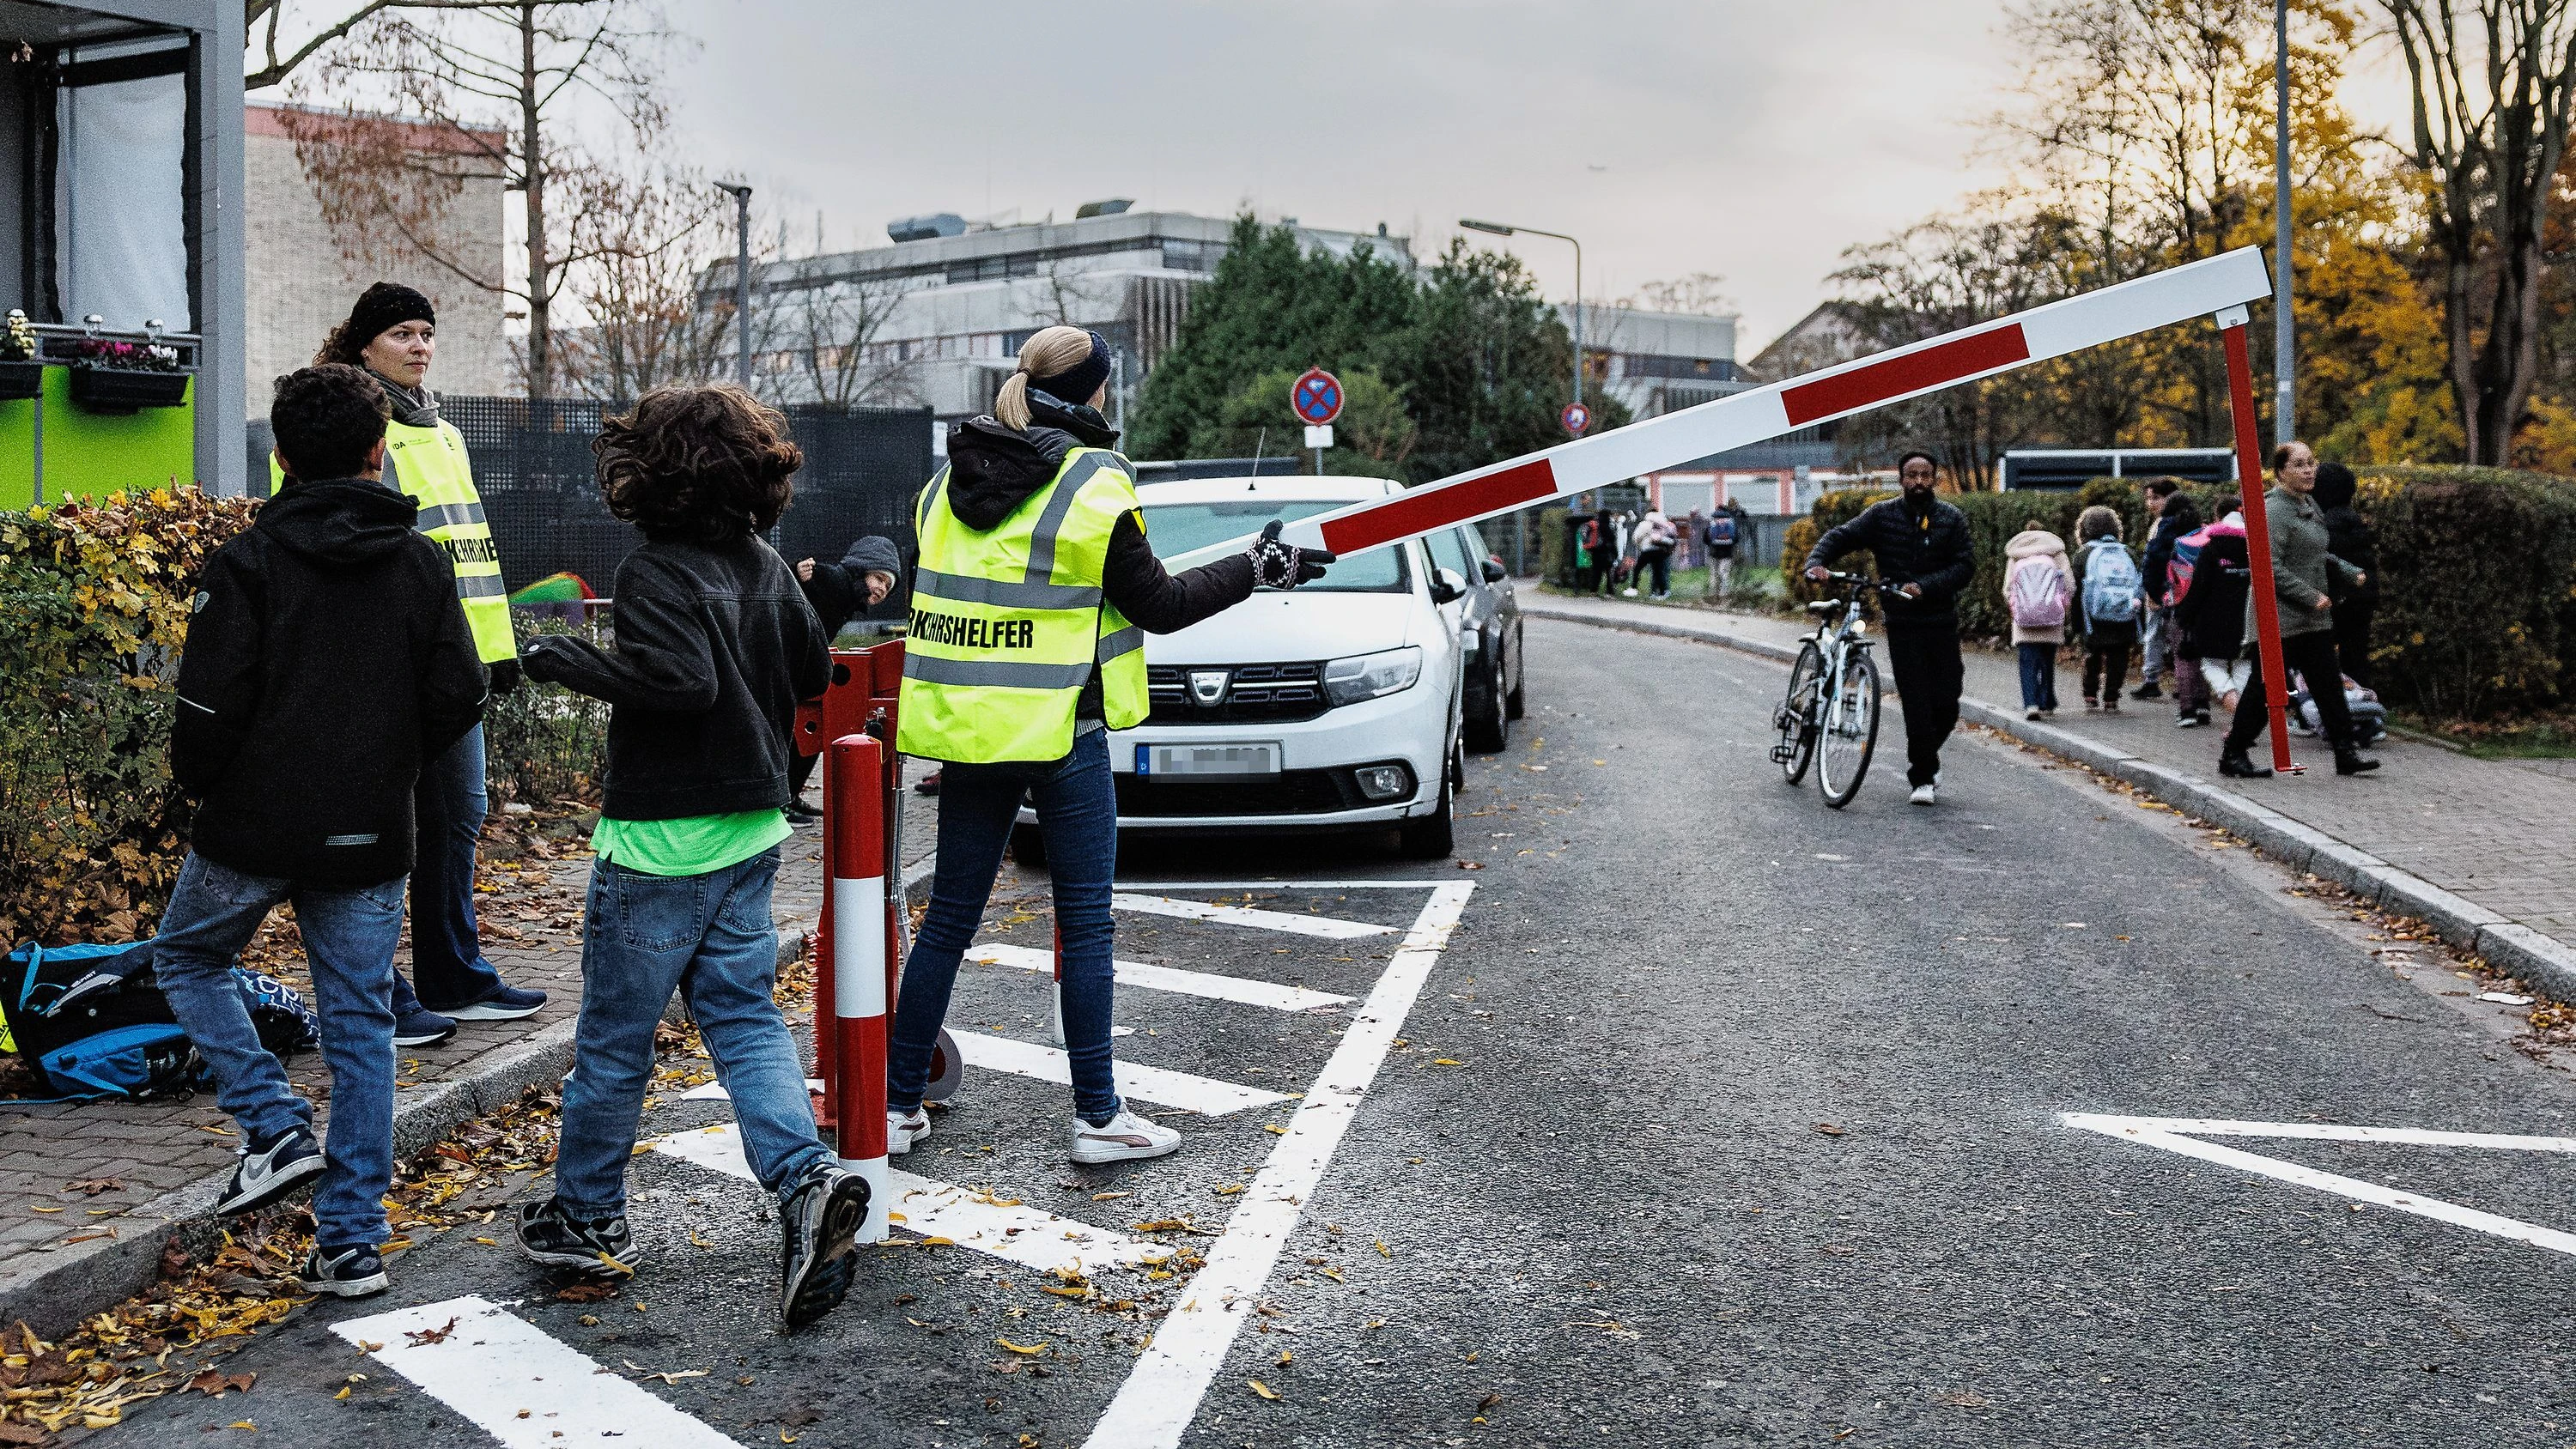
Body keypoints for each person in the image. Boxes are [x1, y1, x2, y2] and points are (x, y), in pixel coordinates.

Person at [888, 326, 1333, 1165]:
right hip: (1065, 725)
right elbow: (1158, 602)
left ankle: (896, 1106)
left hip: (974, 729)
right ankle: (1098, 1116)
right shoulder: (1094, 481)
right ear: (1096, 391)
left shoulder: (949, 479)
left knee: (948, 916)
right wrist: (1257, 567)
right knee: (1085, 920)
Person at [513, 385, 870, 1331]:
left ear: (652, 473)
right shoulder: (763, 566)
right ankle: (804, 1181)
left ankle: (586, 1216)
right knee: (746, 1019)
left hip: (660, 845)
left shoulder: (654, 573)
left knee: (615, 1044)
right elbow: (805, 672)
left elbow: (683, 682)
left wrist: (566, 659)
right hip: (751, 834)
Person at [156, 365, 489, 1299]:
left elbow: (208, 706)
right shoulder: (420, 560)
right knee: (361, 1024)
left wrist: (209, 787)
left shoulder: (248, 563)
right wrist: (391, 766)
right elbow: (460, 692)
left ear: (280, 459)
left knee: (186, 960)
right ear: (378, 453)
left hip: (254, 826)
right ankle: (351, 1242)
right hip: (372, 829)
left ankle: (272, 1125)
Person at [310, 282, 545, 1047]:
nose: (419, 346)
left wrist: (497, 649)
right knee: (388, 831)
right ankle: (383, 994)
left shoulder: (440, 430)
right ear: (364, 343)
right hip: (394, 666)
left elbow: (468, 551)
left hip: (456, 665)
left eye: (426, 333)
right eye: (402, 333)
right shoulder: (344, 424)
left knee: (458, 820)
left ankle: (455, 976)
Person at [1803, 451, 1974, 805]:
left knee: (1947, 701)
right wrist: (1817, 562)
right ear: (1901, 479)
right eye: (1912, 475)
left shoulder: (1951, 519)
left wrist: (1925, 586)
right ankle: (1922, 776)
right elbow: (1841, 536)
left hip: (1941, 620)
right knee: (1915, 700)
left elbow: (1965, 567)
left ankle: (1926, 755)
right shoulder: (1882, 515)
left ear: (1935, 479)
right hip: (1903, 623)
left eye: (1925, 475)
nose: (1918, 482)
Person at [2220, 440, 2379, 779]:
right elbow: (2269, 566)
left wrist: (2349, 572)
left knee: (2329, 687)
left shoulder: (2308, 503)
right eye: (2299, 464)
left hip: (2313, 619)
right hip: (2281, 618)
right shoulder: (2274, 510)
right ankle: (2233, 754)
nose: (2309, 470)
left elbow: (2316, 553)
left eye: (2311, 463)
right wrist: (2310, 596)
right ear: (2281, 472)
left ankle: (2345, 753)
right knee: (2265, 688)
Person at [784, 537, 904, 819]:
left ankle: (790, 794)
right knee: (800, 732)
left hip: (801, 668)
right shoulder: (833, 579)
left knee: (813, 729)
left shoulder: (848, 597)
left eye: (888, 586)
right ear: (862, 569)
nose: (883, 589)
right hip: (788, 666)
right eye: (879, 579)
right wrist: (796, 573)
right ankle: (782, 799)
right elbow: (792, 582)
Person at [2173, 495, 2249, 727]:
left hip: (2213, 619)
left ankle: (2237, 709)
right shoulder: (2255, 545)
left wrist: (2184, 615)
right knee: (2244, 666)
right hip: (2248, 618)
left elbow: (2199, 587)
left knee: (2212, 665)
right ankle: (2244, 718)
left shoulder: (2211, 548)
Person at [2313, 460, 2379, 689]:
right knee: (2356, 656)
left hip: (2337, 599)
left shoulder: (2325, 524)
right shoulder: (2354, 520)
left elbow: (2326, 563)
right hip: (2362, 597)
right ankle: (2364, 705)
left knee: (2320, 658)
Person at [2073, 505, 2143, 711]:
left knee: (2092, 654)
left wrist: (2077, 623)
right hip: (2125, 613)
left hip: (2094, 617)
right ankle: (2112, 697)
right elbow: (2138, 584)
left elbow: (2076, 591)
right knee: (2119, 655)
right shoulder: (2128, 552)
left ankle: (2090, 695)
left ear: (2084, 530)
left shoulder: (2083, 554)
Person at [2002, 520, 2073, 721]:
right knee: (2047, 661)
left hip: (2024, 621)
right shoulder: (2056, 552)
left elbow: (2008, 588)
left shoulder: (2017, 554)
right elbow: (2069, 584)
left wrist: (2017, 608)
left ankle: (2030, 704)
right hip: (2052, 618)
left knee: (2027, 661)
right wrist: (2062, 605)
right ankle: (2047, 701)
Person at [2146, 492, 2207, 723]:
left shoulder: (2163, 534)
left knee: (2182, 655)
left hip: (2176, 601)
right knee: (2201, 653)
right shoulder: (2203, 532)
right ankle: (2203, 704)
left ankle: (2187, 708)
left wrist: (2158, 596)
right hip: (2202, 603)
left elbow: (2150, 567)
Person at [2131, 479, 2185, 700]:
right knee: (2172, 635)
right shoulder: (2174, 521)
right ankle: (2181, 682)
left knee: (2157, 634)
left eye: (2155, 498)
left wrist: (2153, 590)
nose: (2150, 503)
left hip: (2162, 589)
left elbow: (2156, 560)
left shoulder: (2165, 524)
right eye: (2148, 498)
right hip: (2171, 588)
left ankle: (2152, 680)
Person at [1628, 510, 1677, 598]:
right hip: (1661, 550)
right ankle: (1663, 592)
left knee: (1638, 568)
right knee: (1659, 571)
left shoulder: (1645, 523)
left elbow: (1636, 537)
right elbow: (1671, 536)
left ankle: (1634, 587)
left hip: (1647, 549)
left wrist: (1640, 544)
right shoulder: (1664, 523)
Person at [1704, 502, 1742, 600]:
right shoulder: (1731, 523)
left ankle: (1713, 594)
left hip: (1713, 553)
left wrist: (1712, 544)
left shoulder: (1712, 524)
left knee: (1713, 574)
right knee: (1724, 573)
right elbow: (1736, 539)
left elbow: (1705, 539)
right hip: (1727, 553)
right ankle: (1724, 594)